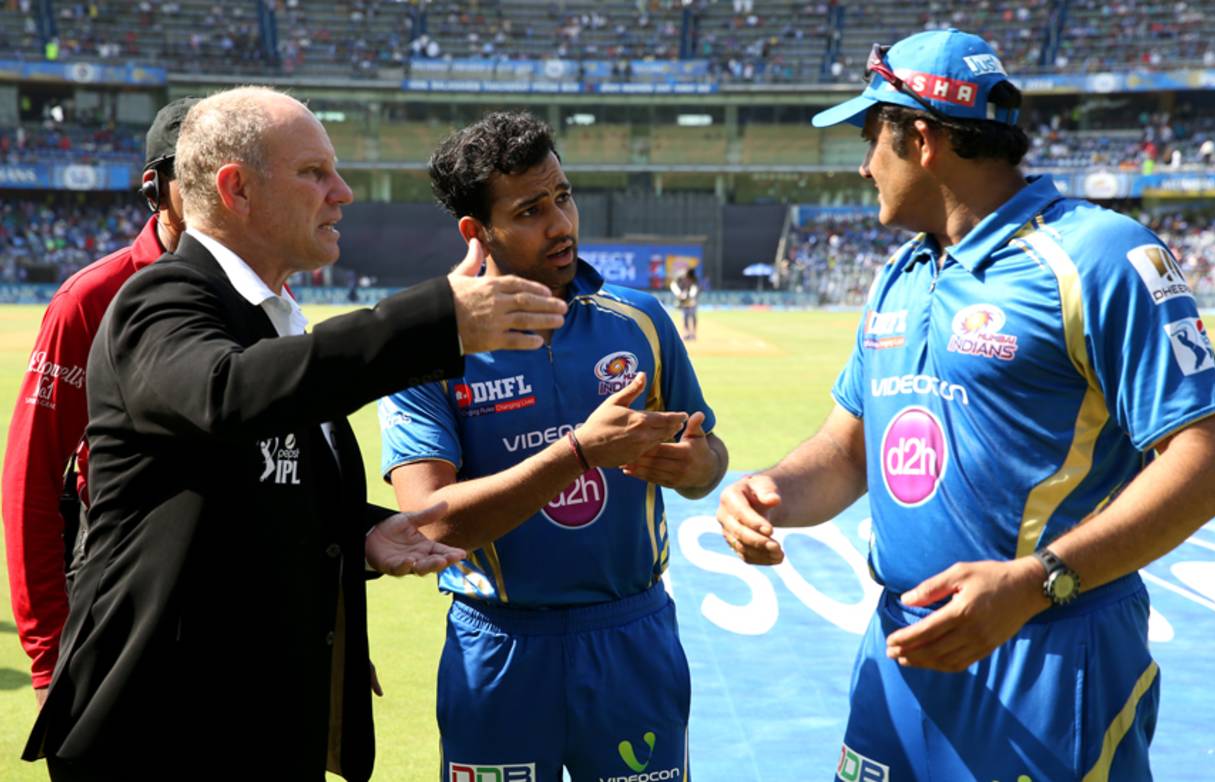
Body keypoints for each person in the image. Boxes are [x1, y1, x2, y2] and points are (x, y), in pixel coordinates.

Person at [716, 29, 1215, 782]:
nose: (865, 164)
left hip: (1049, 652)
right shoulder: (900, 273)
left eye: (872, 136)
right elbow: (849, 450)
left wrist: (1037, 582)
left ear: (923, 139)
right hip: (901, 654)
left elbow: (1213, 465)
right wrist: (766, 492)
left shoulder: (1100, 256)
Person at [23, 86, 569, 781]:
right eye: (314, 173)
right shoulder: (158, 302)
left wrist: (363, 532)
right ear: (237, 190)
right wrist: (434, 320)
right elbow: (228, 395)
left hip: (260, 729)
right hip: (162, 734)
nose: (341, 193)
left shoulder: (272, 321)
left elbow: (261, 484)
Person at [380, 112, 728, 780]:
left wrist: (692, 466)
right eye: (532, 210)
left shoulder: (641, 322)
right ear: (477, 233)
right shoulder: (428, 353)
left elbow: (707, 455)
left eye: (563, 197)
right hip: (501, 647)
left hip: (633, 636)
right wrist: (576, 454)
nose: (562, 224)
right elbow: (426, 525)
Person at [3, 96, 195, 709]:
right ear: (156, 189)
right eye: (201, 173)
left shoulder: (270, 295)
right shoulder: (91, 299)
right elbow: (29, 481)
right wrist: (46, 655)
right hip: (122, 610)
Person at [670, 266, 699, 340]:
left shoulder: (694, 279)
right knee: (685, 316)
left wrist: (691, 296)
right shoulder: (680, 277)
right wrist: (679, 294)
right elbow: (673, 285)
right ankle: (686, 332)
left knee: (693, 315)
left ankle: (693, 333)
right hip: (682, 299)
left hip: (691, 299)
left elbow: (695, 288)